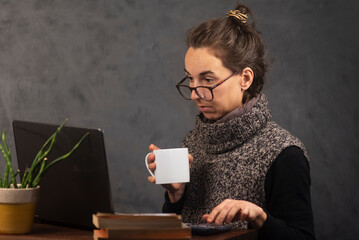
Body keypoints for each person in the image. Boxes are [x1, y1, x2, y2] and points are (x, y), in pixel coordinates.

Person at [146, 3, 315, 239]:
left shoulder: (284, 154)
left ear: (245, 78)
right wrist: (176, 197)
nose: (195, 94)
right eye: (190, 80)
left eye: (207, 79)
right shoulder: (193, 142)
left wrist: (260, 219)